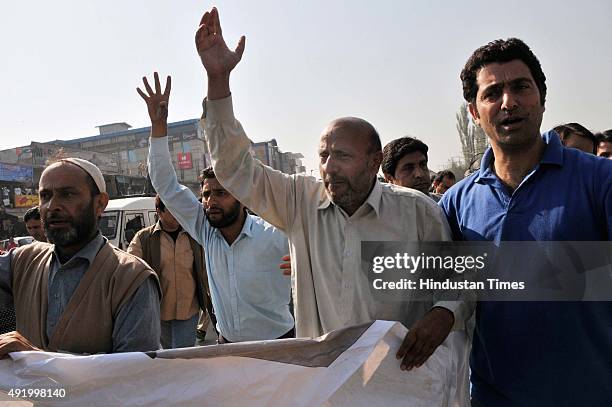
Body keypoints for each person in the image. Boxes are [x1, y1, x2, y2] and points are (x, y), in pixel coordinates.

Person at [194, 7, 472, 372]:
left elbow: (458, 277)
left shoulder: (417, 211)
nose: (328, 167)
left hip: (398, 382)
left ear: (374, 162)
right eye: (323, 155)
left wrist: (444, 312)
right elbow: (234, 168)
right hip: (324, 383)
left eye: (341, 156)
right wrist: (218, 80)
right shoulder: (300, 202)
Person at [440, 38, 612, 406]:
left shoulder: (599, 181)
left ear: (542, 98)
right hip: (493, 397)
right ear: (474, 111)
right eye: (493, 93)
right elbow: (437, 286)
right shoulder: (455, 203)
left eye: (520, 87)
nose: (509, 102)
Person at [139, 74, 294, 343]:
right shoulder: (206, 232)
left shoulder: (274, 234)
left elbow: (329, 252)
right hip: (227, 349)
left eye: (221, 193)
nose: (210, 201)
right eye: (207, 194)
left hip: (278, 348)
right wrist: (158, 126)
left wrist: (305, 260)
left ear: (242, 197)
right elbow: (165, 183)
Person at [0, 158, 161, 357]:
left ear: (100, 203)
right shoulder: (22, 261)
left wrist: (37, 358)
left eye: (67, 194)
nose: (52, 206)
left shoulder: (132, 278)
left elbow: (132, 375)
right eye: (45, 196)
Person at [128, 194, 212, 349]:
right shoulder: (144, 238)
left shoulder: (194, 236)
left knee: (183, 355)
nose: (177, 214)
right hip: (159, 311)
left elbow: (206, 270)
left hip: (189, 309)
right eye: (172, 210)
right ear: (159, 211)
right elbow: (130, 271)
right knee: (166, 356)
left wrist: (213, 300)